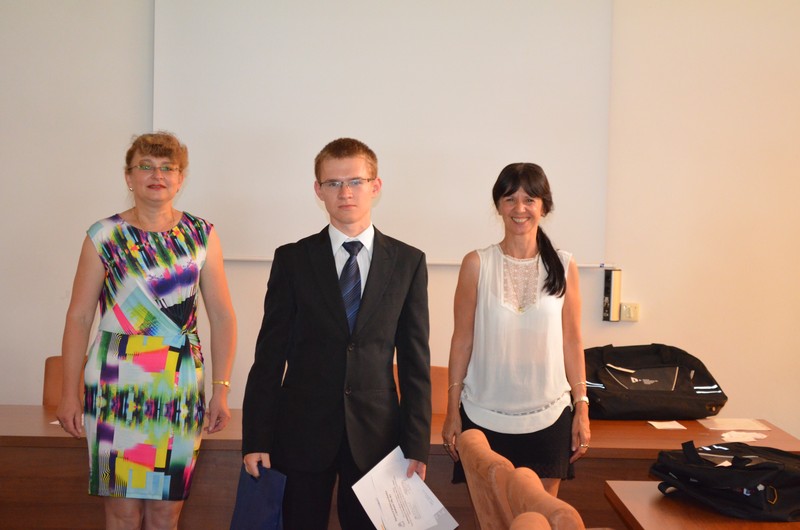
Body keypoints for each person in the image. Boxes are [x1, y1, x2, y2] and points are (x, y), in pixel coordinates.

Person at [242, 137, 431, 529]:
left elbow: (416, 362)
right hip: (301, 432)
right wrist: (257, 437)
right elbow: (269, 357)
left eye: (356, 181)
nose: (345, 192)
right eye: (333, 183)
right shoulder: (292, 259)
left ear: (375, 186)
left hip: (378, 438)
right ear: (319, 190)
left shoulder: (408, 262)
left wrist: (416, 443)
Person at [56, 131, 237, 530]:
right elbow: (79, 318)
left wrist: (221, 390)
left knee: (166, 513)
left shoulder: (201, 235)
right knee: (121, 512)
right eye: (146, 166)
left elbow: (223, 316)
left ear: (180, 178)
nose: (158, 175)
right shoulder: (103, 236)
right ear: (129, 176)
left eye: (167, 168)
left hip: (178, 385)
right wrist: (70, 393)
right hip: (116, 384)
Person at [441, 162, 590, 496]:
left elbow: (572, 341)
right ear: (498, 206)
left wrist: (582, 408)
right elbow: (462, 340)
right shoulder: (476, 263)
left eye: (529, 200)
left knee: (541, 516)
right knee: (491, 517)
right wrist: (452, 410)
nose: (519, 208)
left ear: (544, 207)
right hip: (482, 419)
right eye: (510, 199)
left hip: (549, 419)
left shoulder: (564, 265)